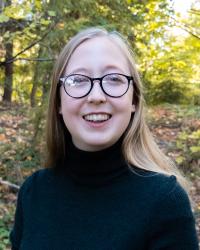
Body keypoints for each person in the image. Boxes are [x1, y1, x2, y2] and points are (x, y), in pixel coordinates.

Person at [10, 27, 199, 250]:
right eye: (78, 80)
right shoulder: (34, 192)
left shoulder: (165, 201)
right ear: (59, 102)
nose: (96, 96)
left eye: (114, 79)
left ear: (134, 100)